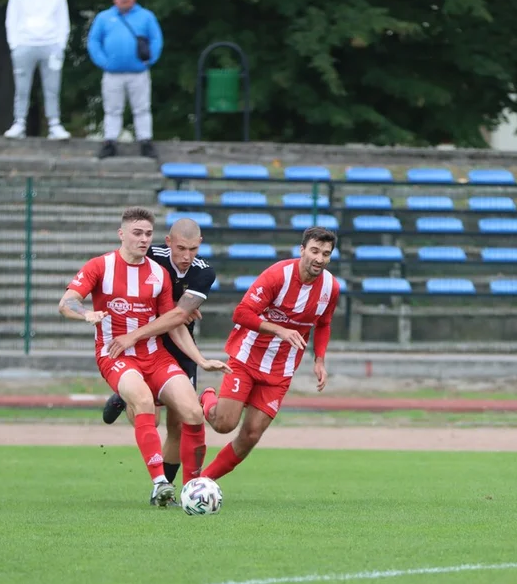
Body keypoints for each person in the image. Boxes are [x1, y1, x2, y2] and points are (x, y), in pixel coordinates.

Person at [59, 207, 230, 507]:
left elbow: (174, 320)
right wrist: (85, 313)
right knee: (143, 402)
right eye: (137, 233)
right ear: (121, 233)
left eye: (147, 234)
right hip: (116, 354)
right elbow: (67, 301)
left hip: (157, 353)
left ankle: (193, 489)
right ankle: (160, 483)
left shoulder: (158, 273)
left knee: (192, 413)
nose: (143, 239)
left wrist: (202, 360)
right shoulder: (101, 266)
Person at [193, 227, 341, 482]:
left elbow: (324, 324)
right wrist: (279, 330)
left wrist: (319, 360)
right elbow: (240, 313)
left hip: (280, 370)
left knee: (251, 435)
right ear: (302, 249)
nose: (319, 258)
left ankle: (201, 482)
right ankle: (207, 397)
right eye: (315, 251)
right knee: (224, 424)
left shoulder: (330, 287)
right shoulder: (277, 276)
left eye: (326, 254)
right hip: (246, 357)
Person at [100, 217, 216, 489]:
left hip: (179, 344)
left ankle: (168, 488)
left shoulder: (204, 272)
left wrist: (180, 309)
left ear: (200, 245)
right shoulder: (151, 255)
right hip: (143, 345)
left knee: (181, 421)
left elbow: (179, 315)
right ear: (168, 243)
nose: (186, 256)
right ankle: (128, 394)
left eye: (193, 250)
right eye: (180, 249)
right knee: (148, 412)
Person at [86, 0, 164, 160]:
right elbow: (94, 41)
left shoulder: (146, 17)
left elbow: (156, 39)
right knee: (112, 109)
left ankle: (145, 141)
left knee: (142, 108)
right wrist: (103, 62)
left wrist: (150, 60)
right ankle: (110, 141)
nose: (124, 0)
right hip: (112, 73)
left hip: (139, 72)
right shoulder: (104, 18)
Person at [4, 0, 71, 141]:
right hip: (24, 44)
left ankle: (54, 124)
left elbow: (62, 20)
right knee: (22, 87)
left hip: (50, 45)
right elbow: (12, 17)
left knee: (52, 88)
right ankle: (19, 123)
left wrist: (60, 46)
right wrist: (14, 45)